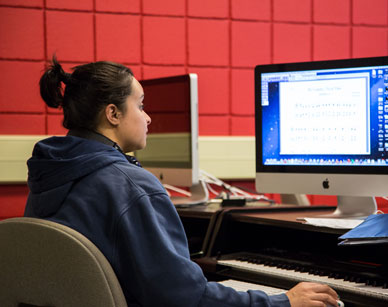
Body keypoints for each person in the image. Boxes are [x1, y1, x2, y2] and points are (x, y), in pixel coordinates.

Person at [24, 57, 341, 307]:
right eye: (141, 105)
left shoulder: (48, 173)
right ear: (113, 114)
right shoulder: (130, 186)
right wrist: (281, 301)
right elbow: (186, 298)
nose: (148, 118)